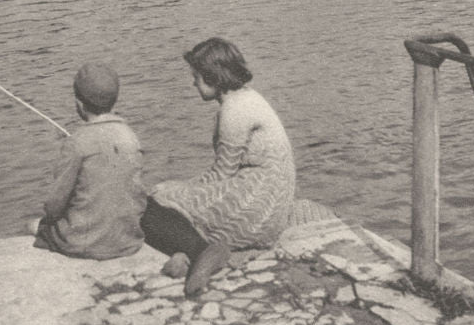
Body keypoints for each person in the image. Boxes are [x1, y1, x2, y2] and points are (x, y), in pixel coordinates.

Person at [141, 38, 296, 297]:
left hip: (256, 205)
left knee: (150, 205)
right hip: (271, 201)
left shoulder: (234, 111)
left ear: (212, 76)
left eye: (196, 77)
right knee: (173, 201)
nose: (193, 83)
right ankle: (189, 254)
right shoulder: (249, 98)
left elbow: (221, 174)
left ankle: (200, 252)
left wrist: (173, 189)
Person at [32, 62, 146, 260]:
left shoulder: (77, 142)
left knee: (33, 225)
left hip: (83, 243)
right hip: (127, 241)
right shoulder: (130, 136)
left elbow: (53, 207)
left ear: (79, 103)